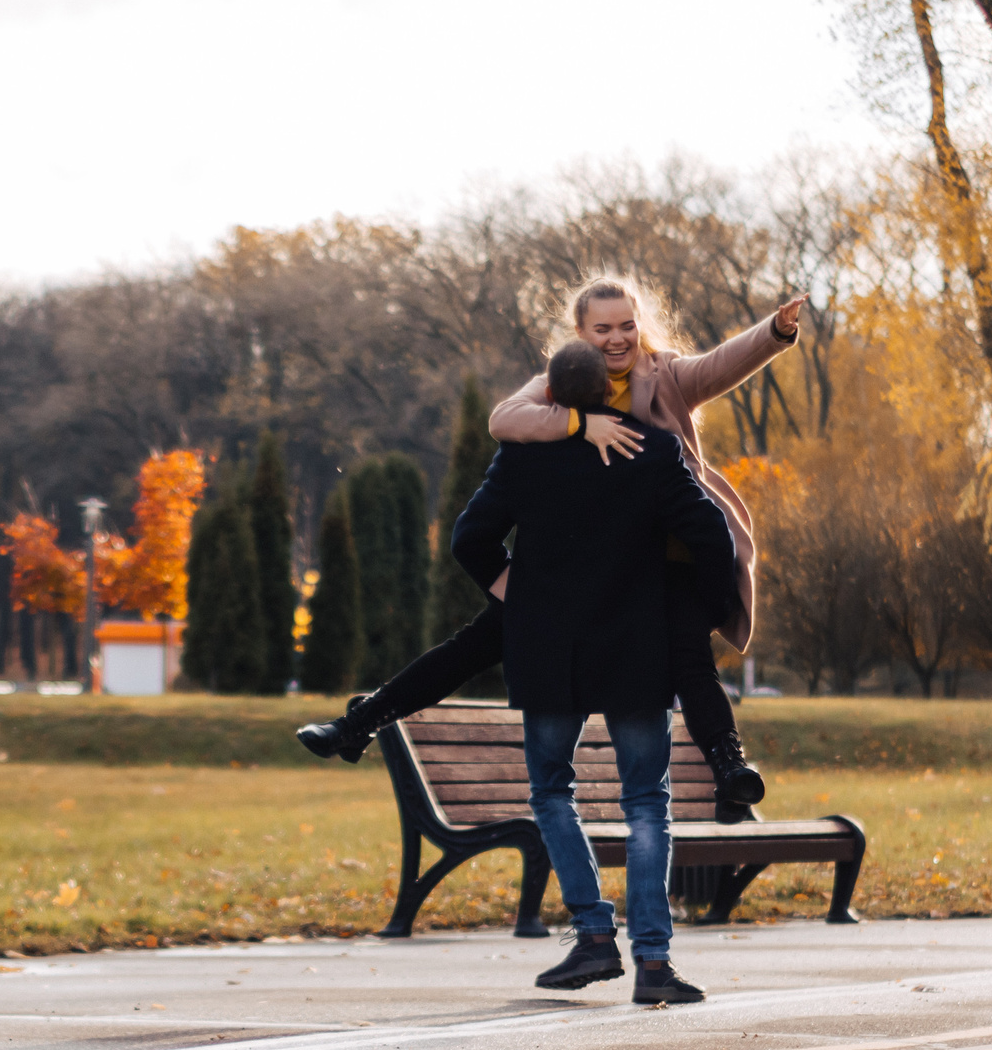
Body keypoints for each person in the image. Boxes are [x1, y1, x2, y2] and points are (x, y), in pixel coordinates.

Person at [298, 275, 801, 819]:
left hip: (663, 559)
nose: (618, 339)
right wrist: (580, 424)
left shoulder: (667, 375)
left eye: (627, 326)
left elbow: (722, 363)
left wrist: (775, 331)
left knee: (689, 657)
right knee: (474, 644)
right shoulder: (559, 386)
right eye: (603, 328)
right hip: (578, 572)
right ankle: (359, 724)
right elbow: (502, 420)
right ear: (579, 333)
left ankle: (730, 771)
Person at [449, 339, 741, 1004]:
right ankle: (655, 963)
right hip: (636, 646)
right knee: (647, 803)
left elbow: (471, 538)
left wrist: (514, 594)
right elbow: (710, 534)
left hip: (549, 647)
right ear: (608, 391)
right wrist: (703, 608)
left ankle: (592, 933)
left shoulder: (522, 457)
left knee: (551, 791)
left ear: (549, 396)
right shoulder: (653, 450)